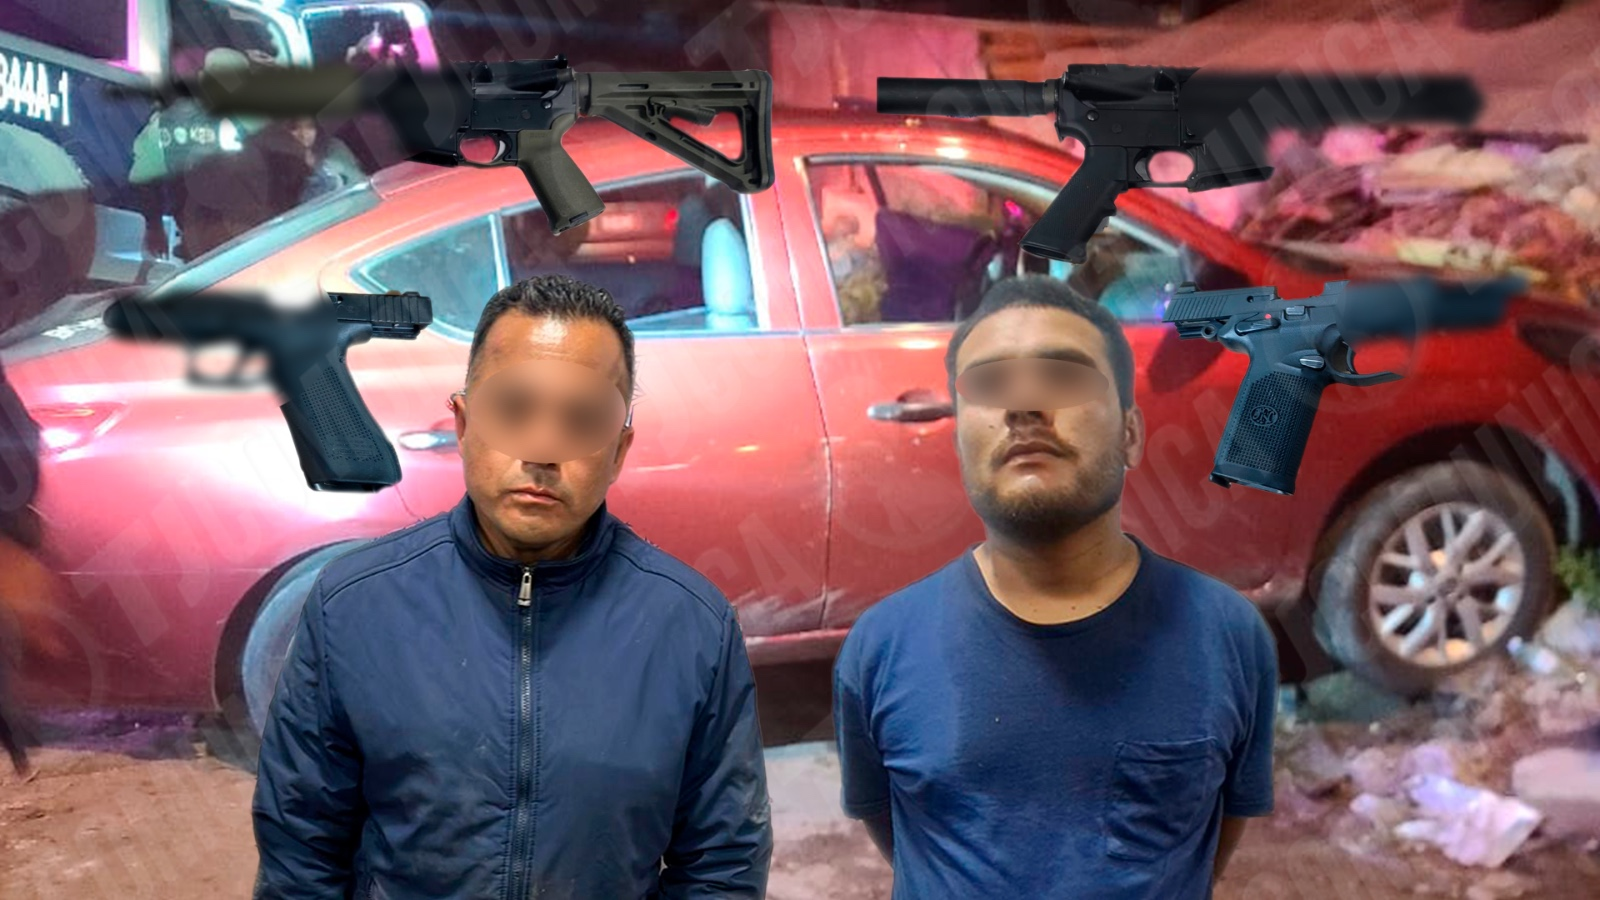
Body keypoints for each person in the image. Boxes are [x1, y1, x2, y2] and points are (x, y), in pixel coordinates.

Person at [252, 275, 772, 899]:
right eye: (513, 409)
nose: (543, 447)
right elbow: (300, 850)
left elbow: (722, 863)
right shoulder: (354, 608)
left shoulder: (692, 627)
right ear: (463, 423)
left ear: (619, 450)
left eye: (582, 419)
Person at [832, 276, 1278, 899]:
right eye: (989, 385)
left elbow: (1211, 842)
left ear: (1129, 434)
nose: (1024, 405)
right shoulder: (882, 648)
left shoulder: (1228, 636)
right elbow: (900, 833)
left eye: (1064, 377)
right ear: (961, 441)